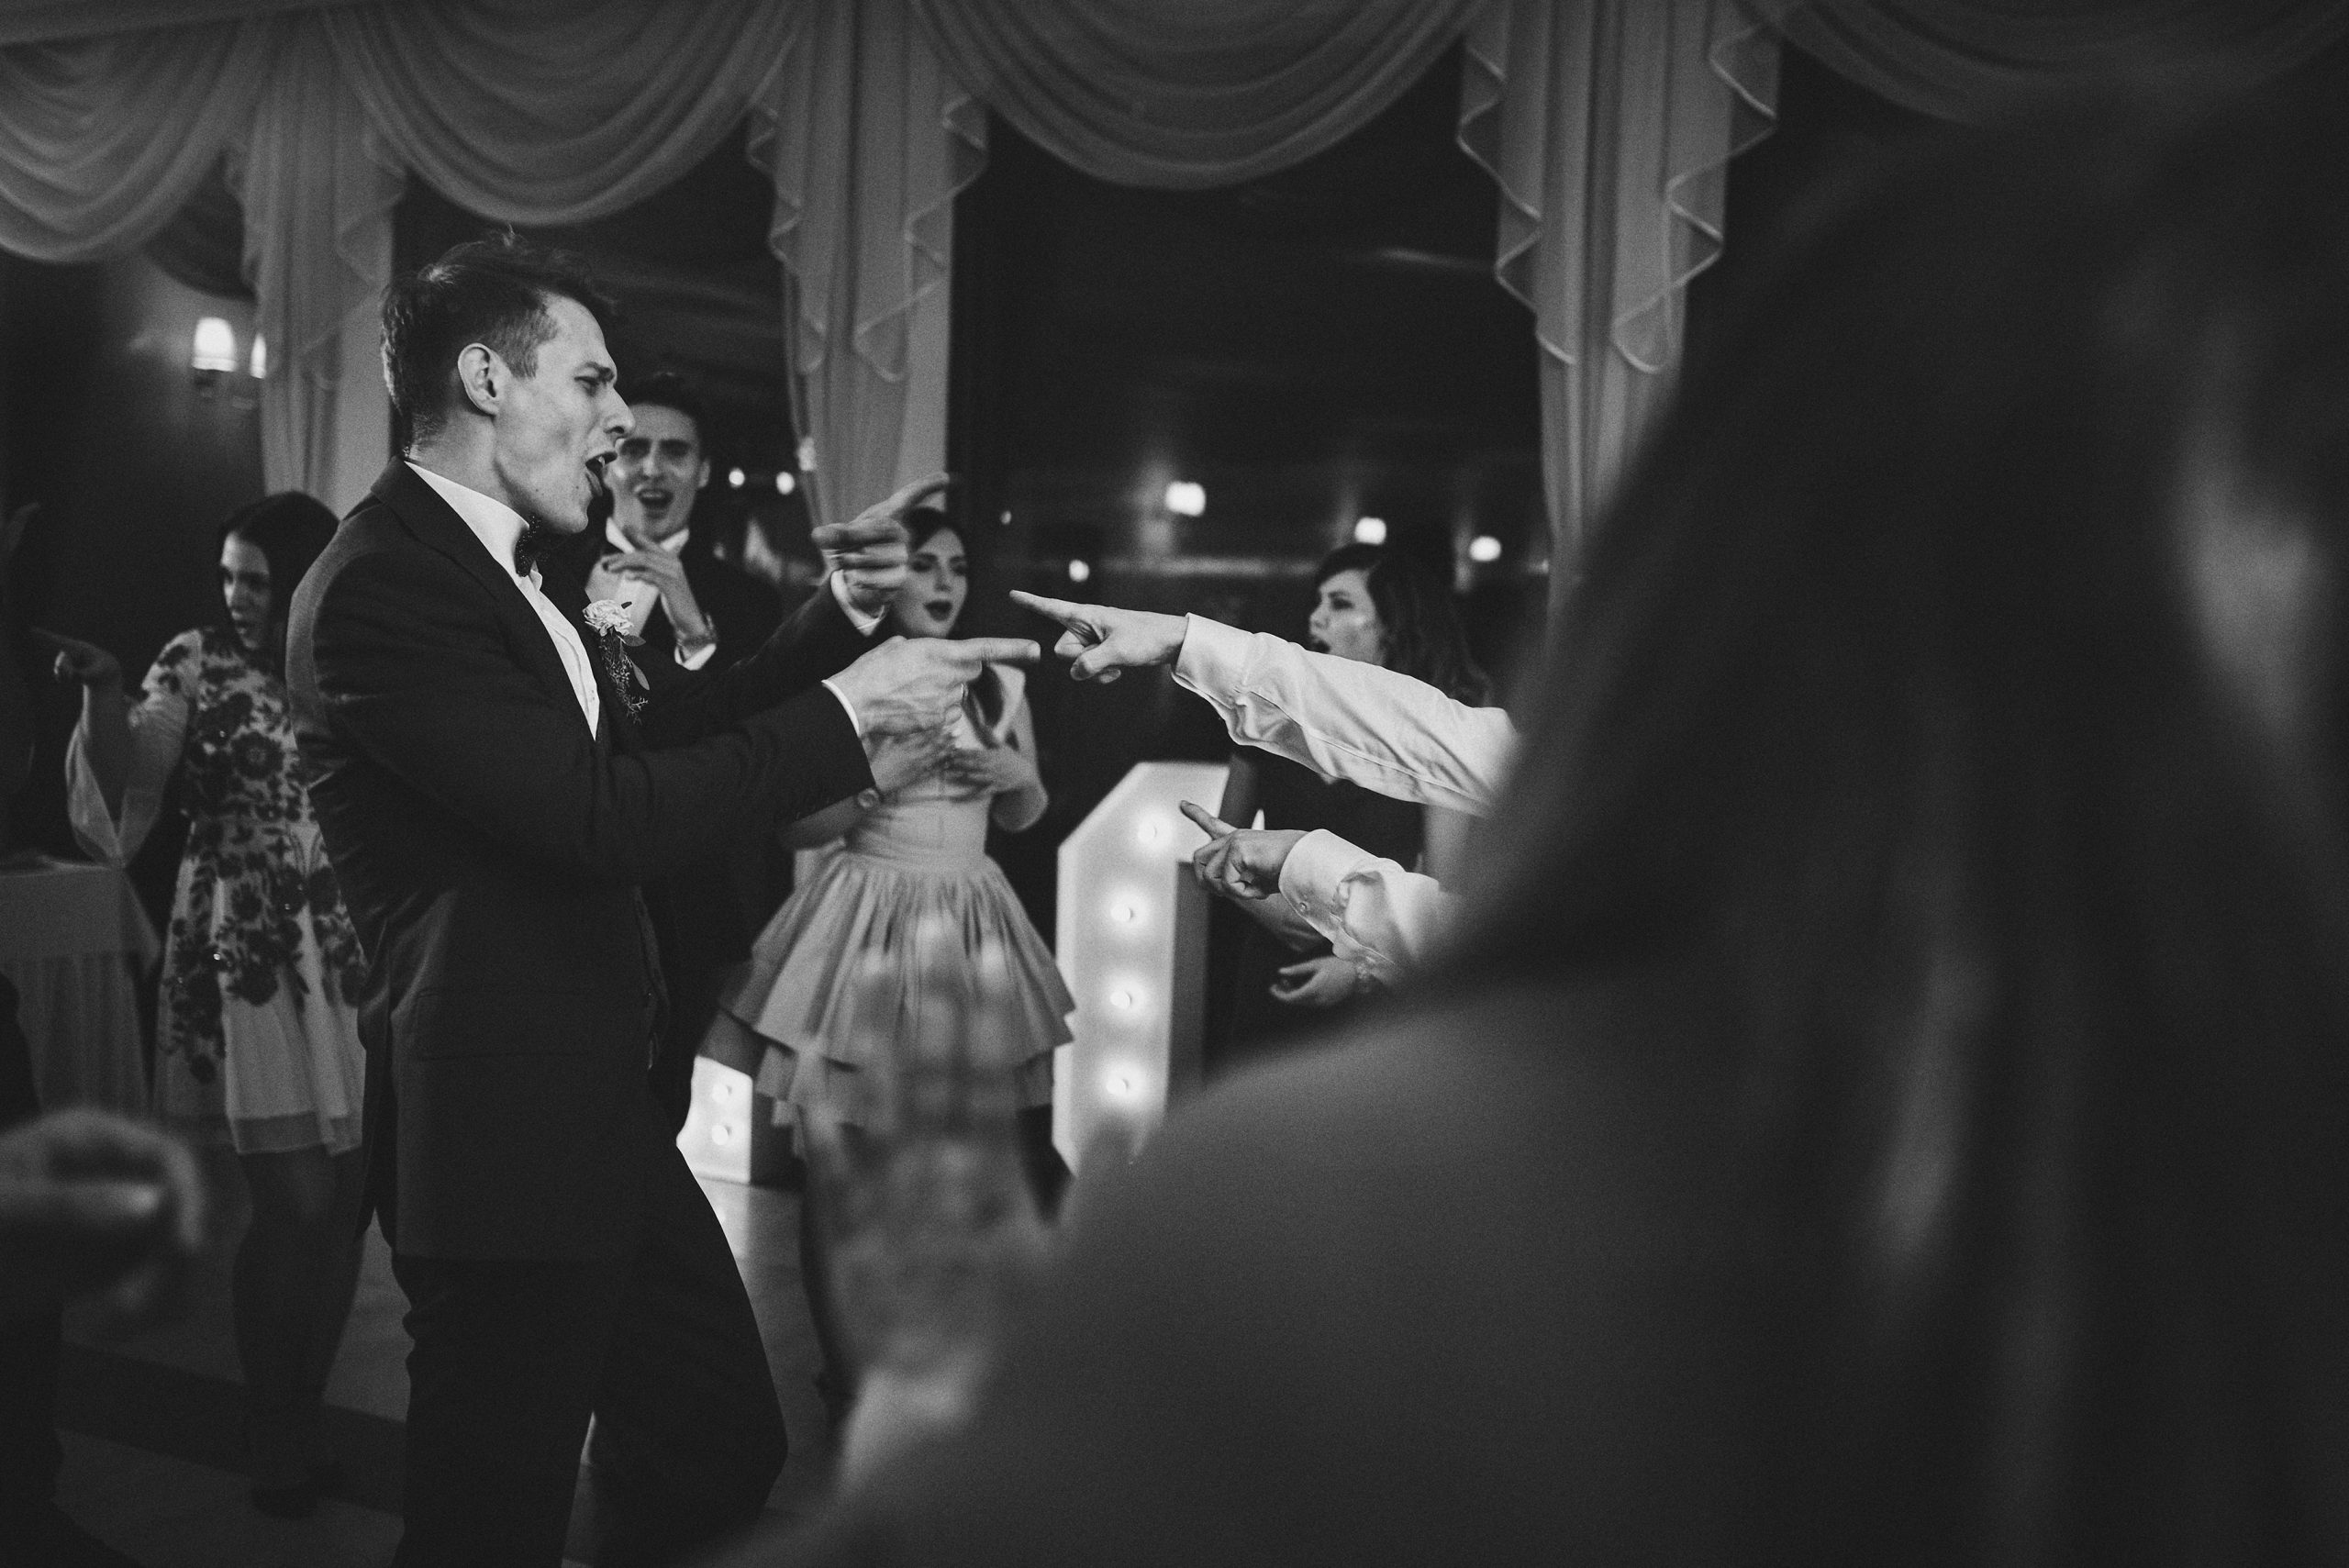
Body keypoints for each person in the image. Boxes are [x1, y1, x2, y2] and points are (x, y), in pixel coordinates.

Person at [763, 83, 2349, 1566]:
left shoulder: (1345, 1204)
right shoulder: (2229, 1203)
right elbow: (1467, 750)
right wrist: (1211, 679)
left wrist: (938, 1395)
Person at [288, 233, 1034, 1568]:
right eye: (592, 381)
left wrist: (833, 618)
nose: (620, 421)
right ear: (487, 379)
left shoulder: (506, 570)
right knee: (487, 1518)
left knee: (714, 1436)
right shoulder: (384, 582)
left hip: (598, 1105)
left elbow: (674, 736)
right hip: (503, 1127)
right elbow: (601, 820)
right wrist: (850, 716)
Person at [39, 493, 368, 1518]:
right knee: (297, 1202)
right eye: (229, 576)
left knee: (346, 1206)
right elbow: (131, 781)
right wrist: (103, 698)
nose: (237, 597)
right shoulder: (195, 659)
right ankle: (271, 1429)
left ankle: (305, 1414)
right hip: (248, 941)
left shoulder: (347, 659)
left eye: (258, 580)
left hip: (346, 943)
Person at [712, 506, 1072, 1426]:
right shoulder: (855, 679)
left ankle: (951, 1369)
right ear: (889, 577)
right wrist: (882, 776)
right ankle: (847, 1384)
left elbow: (1027, 812)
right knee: (844, 1172)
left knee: (973, 1162)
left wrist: (1018, 780)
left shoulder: (998, 680)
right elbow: (795, 826)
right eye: (924, 563)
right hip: (867, 919)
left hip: (971, 920)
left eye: (957, 565)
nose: (944, 581)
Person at [1012, 585, 1515, 984]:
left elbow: (1471, 934)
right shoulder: (1283, 736)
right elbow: (1412, 731)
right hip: (1276, 950)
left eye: (1341, 603)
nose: (1318, 617)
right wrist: (1179, 639)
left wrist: (1308, 876)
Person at [553, 370, 792, 1127]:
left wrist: (696, 632)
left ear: (704, 470)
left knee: (661, 1105)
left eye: (676, 452)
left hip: (694, 889)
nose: (652, 469)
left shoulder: (750, 601)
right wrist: (596, 625)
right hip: (570, 877)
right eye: (634, 449)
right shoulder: (550, 572)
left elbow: (751, 744)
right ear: (607, 460)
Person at [1207, 544, 1484, 1064]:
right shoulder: (1269, 723)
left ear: (1392, 627)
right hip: (1271, 960)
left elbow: (1445, 890)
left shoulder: (1425, 745)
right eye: (1316, 603)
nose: (1317, 617)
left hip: (1374, 976)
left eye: (1340, 604)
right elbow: (1220, 841)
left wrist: (1358, 970)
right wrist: (1273, 908)